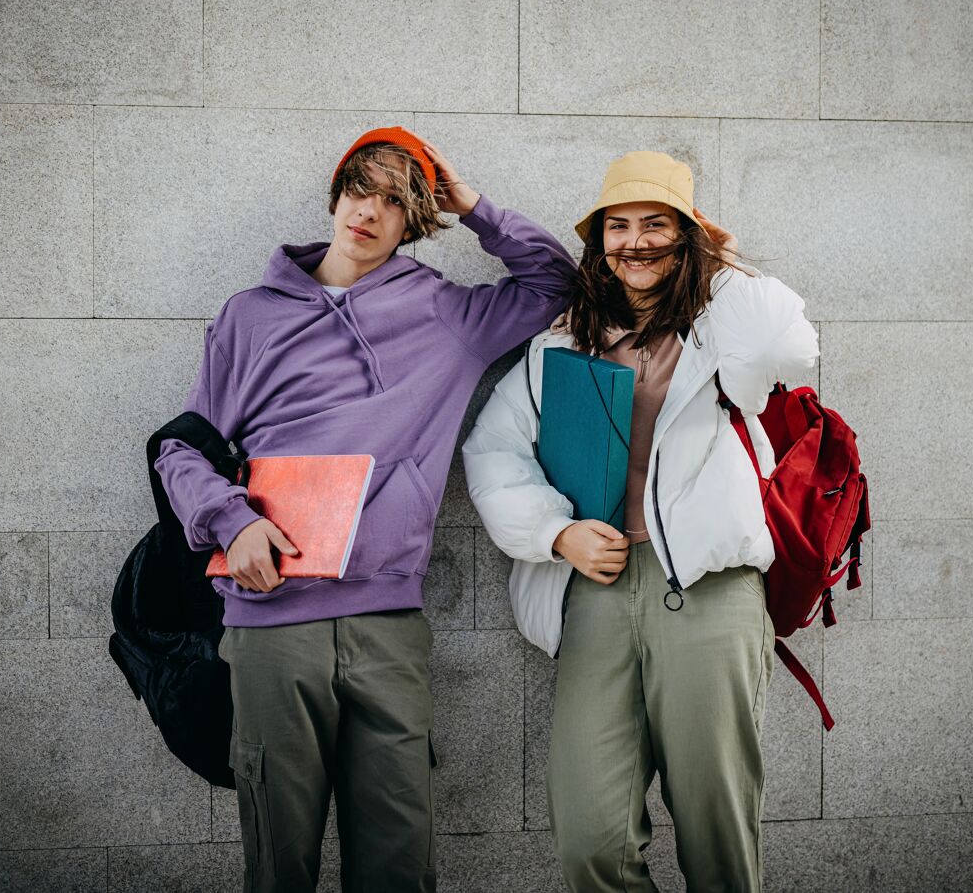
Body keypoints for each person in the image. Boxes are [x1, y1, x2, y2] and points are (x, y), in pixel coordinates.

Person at [154, 126, 576, 893]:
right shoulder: (249, 316)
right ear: (337, 192)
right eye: (361, 189)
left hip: (388, 625)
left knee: (398, 865)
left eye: (395, 201)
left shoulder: (444, 314)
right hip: (271, 619)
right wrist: (231, 519)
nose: (371, 212)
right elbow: (183, 449)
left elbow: (554, 284)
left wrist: (471, 204)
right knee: (279, 865)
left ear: (415, 223)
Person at [462, 151, 818, 892]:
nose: (635, 242)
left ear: (688, 236)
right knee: (591, 838)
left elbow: (787, 344)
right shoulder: (559, 347)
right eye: (618, 227)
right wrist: (555, 533)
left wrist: (722, 262)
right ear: (598, 246)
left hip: (708, 591)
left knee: (717, 830)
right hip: (593, 591)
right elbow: (493, 453)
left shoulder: (721, 334)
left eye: (657, 224)